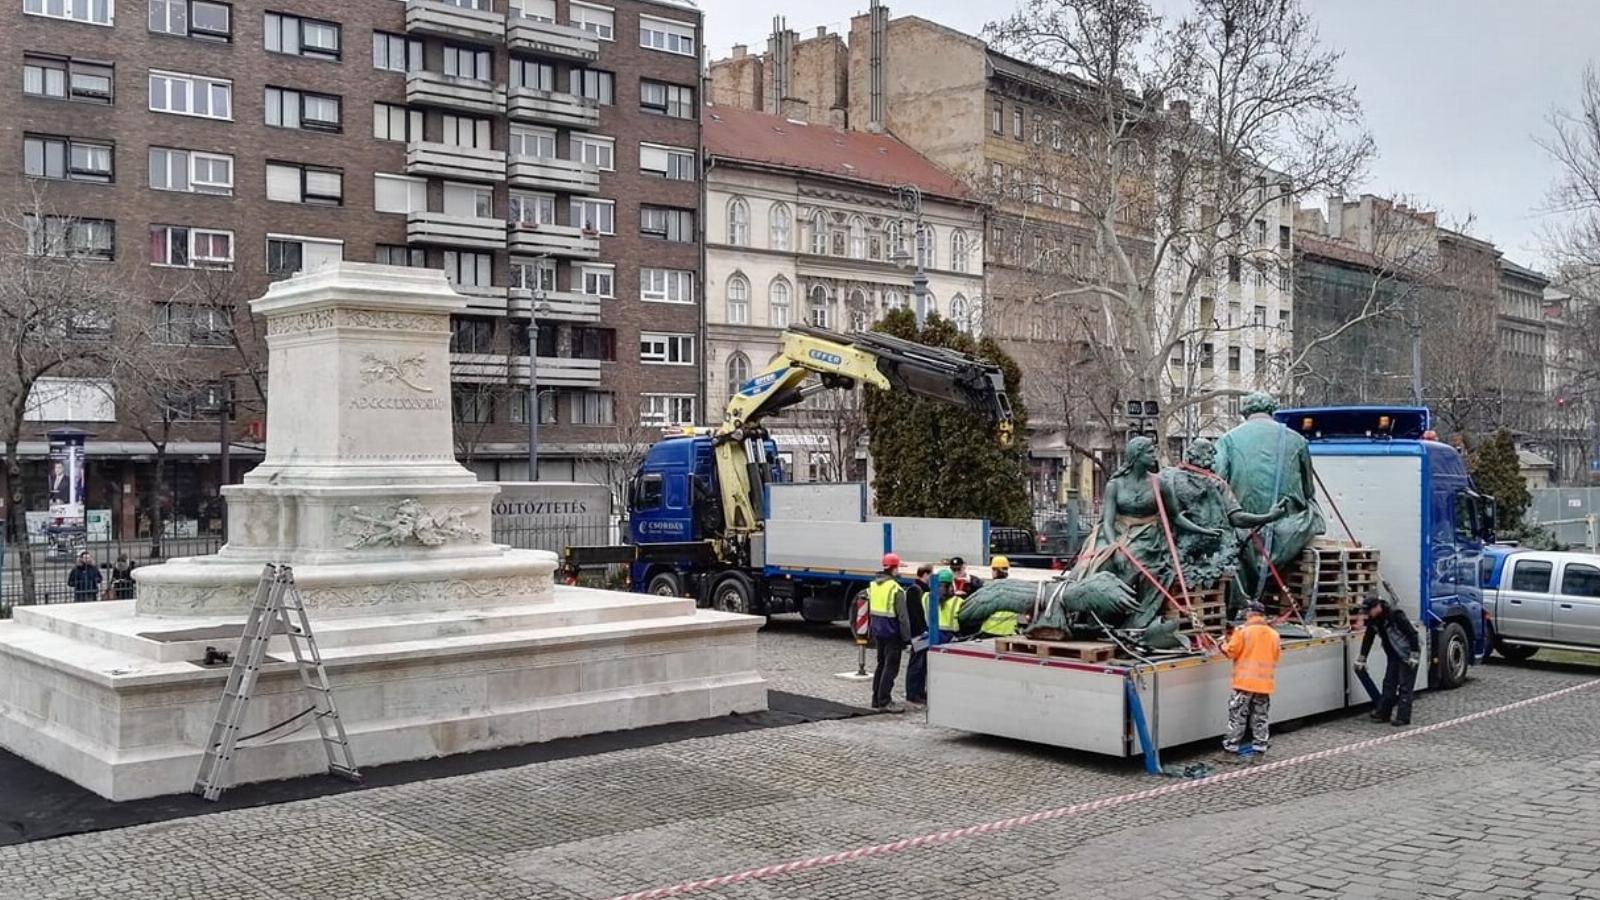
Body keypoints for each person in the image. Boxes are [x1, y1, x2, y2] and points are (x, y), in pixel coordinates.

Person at [1220, 600, 1281, 760]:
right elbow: (1276, 657)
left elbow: (1231, 652)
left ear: (1251, 613)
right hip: (1264, 684)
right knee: (1260, 717)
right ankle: (1259, 751)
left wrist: (1223, 644)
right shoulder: (1274, 634)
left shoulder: (1242, 631)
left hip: (1244, 683)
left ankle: (1230, 751)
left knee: (1237, 717)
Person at [1357, 595, 1421, 726]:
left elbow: (1412, 634)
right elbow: (1368, 638)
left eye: (1369, 611)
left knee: (1405, 686)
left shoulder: (1395, 615)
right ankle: (1383, 713)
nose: (1368, 614)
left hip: (1406, 654)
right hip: (1393, 655)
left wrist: (1414, 655)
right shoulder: (1374, 620)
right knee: (1389, 684)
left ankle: (1403, 717)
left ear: (1378, 607)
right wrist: (1362, 658)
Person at [867, 553, 912, 713]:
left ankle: (876, 699)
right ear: (893, 568)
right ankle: (885, 701)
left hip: (878, 630)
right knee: (891, 667)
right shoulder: (895, 588)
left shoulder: (873, 585)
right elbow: (903, 617)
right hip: (892, 632)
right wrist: (907, 639)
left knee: (881, 664)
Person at [904, 565, 933, 705]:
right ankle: (912, 693)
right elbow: (915, 614)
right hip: (918, 633)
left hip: (921, 632)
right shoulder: (915, 590)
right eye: (931, 575)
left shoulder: (921, 589)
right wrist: (921, 631)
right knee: (916, 664)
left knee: (921, 664)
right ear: (925, 574)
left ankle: (919, 692)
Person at [977, 556, 1021, 637]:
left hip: (989, 631)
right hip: (1009, 632)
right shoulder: (1015, 589)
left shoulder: (988, 589)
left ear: (994, 570)